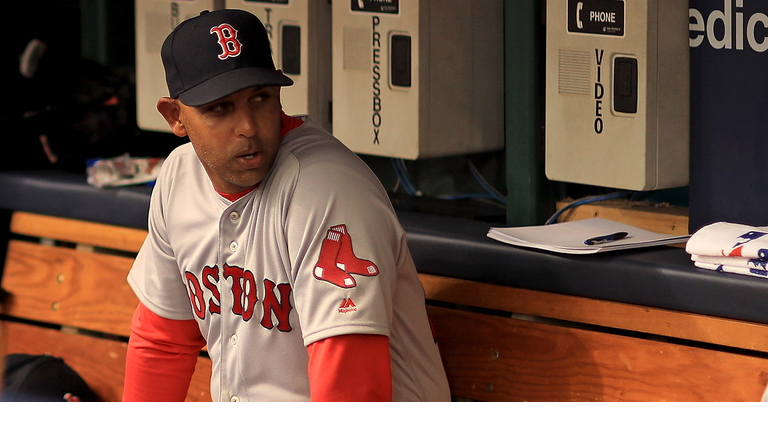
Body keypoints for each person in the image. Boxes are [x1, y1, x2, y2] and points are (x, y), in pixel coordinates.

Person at [123, 9, 450, 402]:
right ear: (175, 116)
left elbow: (351, 390)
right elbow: (163, 342)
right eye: (220, 108)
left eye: (260, 98)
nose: (248, 125)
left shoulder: (328, 190)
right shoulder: (178, 177)